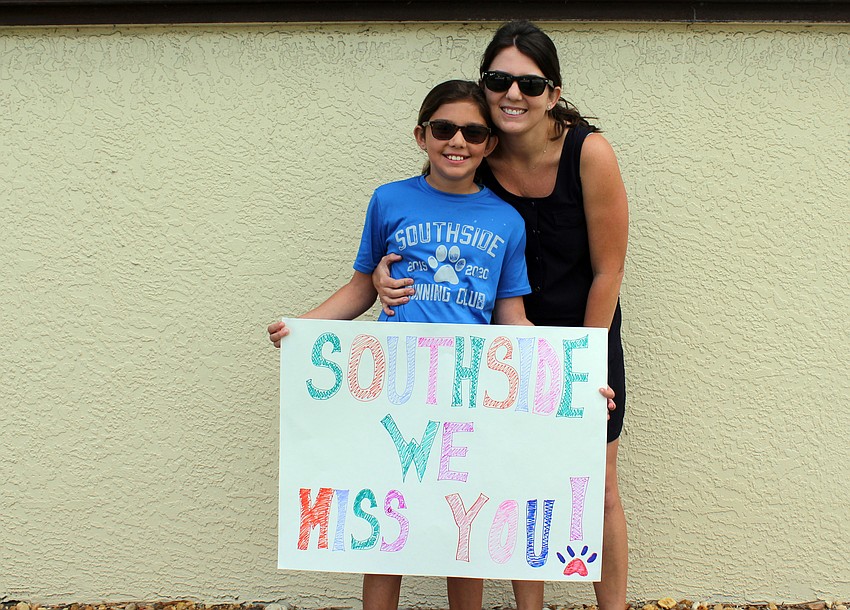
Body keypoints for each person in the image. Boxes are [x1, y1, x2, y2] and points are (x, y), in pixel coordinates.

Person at [371, 21, 630, 610]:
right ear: (485, 88)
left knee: (596, 486)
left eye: (531, 84)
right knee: (506, 482)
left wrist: (579, 366)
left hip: (580, 335)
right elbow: (424, 233)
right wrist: (386, 281)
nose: (514, 94)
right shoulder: (473, 153)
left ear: (554, 94)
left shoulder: (589, 153)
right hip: (496, 343)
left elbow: (608, 270)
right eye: (499, 80)